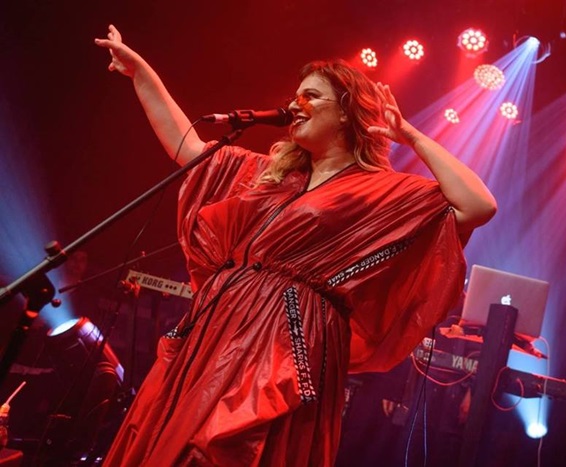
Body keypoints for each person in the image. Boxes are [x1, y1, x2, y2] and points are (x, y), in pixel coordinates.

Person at [94, 24, 496, 466]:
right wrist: (140, 73)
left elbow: (477, 205)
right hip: (220, 322)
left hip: (291, 337)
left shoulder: (379, 191)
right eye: (295, 95)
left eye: (311, 96)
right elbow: (186, 145)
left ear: (345, 113)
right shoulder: (271, 175)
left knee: (231, 448)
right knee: (176, 436)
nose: (294, 105)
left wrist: (412, 138)